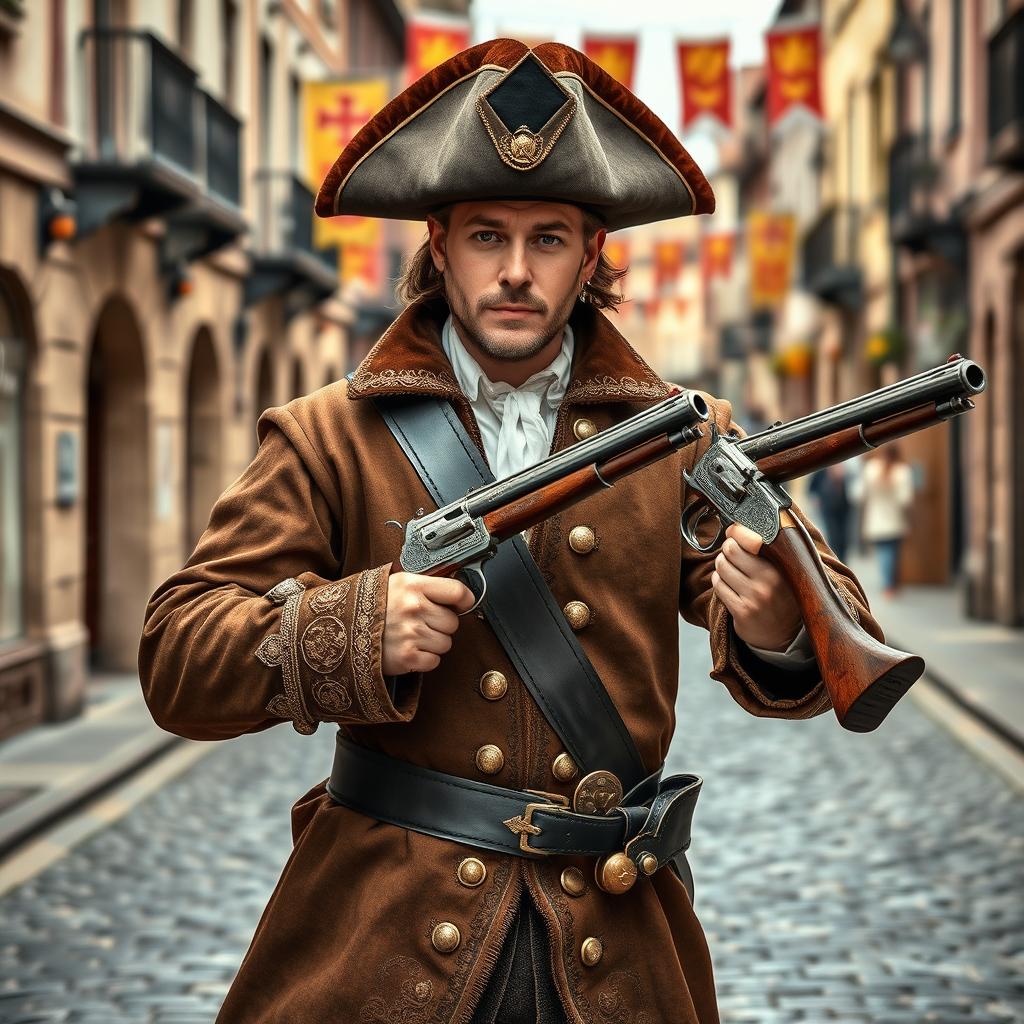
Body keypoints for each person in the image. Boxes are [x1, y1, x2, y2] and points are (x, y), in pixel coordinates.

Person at [138, 39, 883, 1024]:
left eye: (549, 239)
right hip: (385, 930)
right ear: (440, 244)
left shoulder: (682, 433)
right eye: (488, 236)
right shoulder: (328, 434)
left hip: (614, 933)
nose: (517, 272)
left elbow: (842, 638)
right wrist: (356, 629)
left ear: (592, 253)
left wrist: (776, 618)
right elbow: (176, 656)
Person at [856, 444, 915, 598]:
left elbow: (859, 495)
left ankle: (889, 584)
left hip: (876, 521)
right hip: (895, 520)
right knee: (892, 552)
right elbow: (905, 500)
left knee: (884, 552)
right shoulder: (902, 471)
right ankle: (890, 585)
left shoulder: (870, 469)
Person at [808, 462, 852, 563]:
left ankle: (843, 561)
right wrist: (816, 500)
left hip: (844, 507)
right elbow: (812, 489)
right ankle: (836, 560)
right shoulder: (821, 470)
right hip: (828, 508)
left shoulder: (845, 469)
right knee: (833, 536)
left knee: (844, 537)